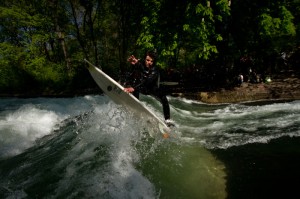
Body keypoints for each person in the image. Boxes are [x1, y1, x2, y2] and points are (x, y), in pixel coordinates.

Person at [123, 51, 172, 126]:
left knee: (164, 98)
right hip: (141, 87)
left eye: (152, 61)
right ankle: (135, 102)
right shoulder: (141, 63)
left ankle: (167, 120)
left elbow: (147, 81)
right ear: (145, 59)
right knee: (135, 83)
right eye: (148, 60)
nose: (149, 63)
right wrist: (133, 64)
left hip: (152, 88)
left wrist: (134, 88)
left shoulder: (155, 70)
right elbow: (133, 72)